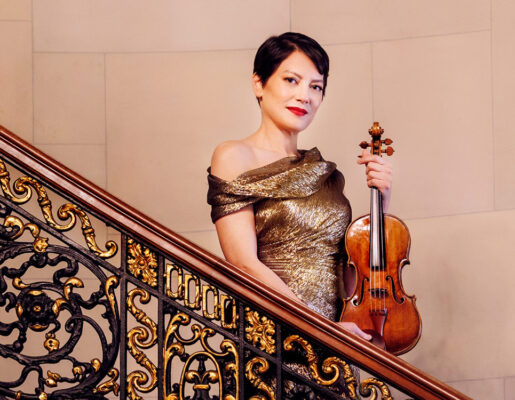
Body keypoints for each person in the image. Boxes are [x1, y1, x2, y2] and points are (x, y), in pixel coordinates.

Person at [207, 32, 392, 341]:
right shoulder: (234, 155)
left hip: (336, 338)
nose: (305, 95)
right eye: (291, 80)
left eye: (315, 86)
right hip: (272, 337)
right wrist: (318, 328)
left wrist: (381, 205)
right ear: (258, 84)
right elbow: (242, 262)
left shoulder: (327, 175)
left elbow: (348, 276)